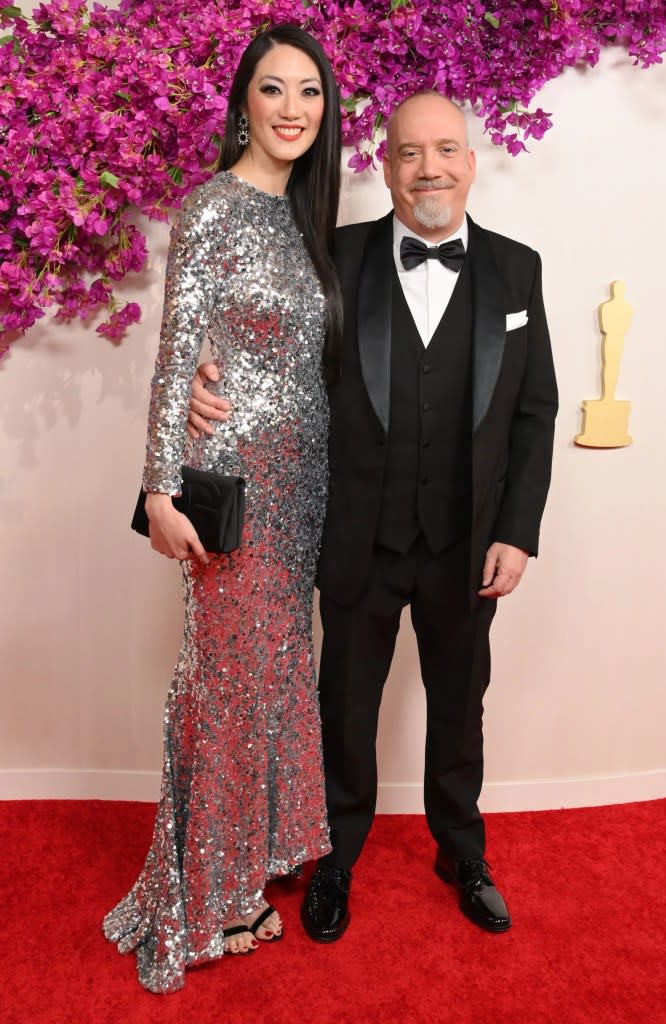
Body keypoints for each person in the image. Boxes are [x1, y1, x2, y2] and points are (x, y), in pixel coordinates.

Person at [188, 91, 558, 943]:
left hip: (469, 545)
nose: (430, 167)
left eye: (447, 150)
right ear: (384, 165)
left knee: (460, 707)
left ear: (470, 161)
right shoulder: (336, 257)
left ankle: (462, 850)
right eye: (410, 152)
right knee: (345, 708)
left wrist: (517, 530)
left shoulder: (517, 269)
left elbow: (534, 410)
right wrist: (203, 377)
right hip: (355, 537)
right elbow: (269, 358)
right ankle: (336, 857)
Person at [103, 25, 343, 993]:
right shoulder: (209, 209)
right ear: (242, 99)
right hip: (231, 490)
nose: (292, 109)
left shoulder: (307, 220)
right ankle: (205, 896)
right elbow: (176, 355)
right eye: (274, 90)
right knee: (225, 689)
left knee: (275, 679)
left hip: (304, 494)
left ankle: (245, 868)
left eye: (311, 94)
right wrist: (160, 486)